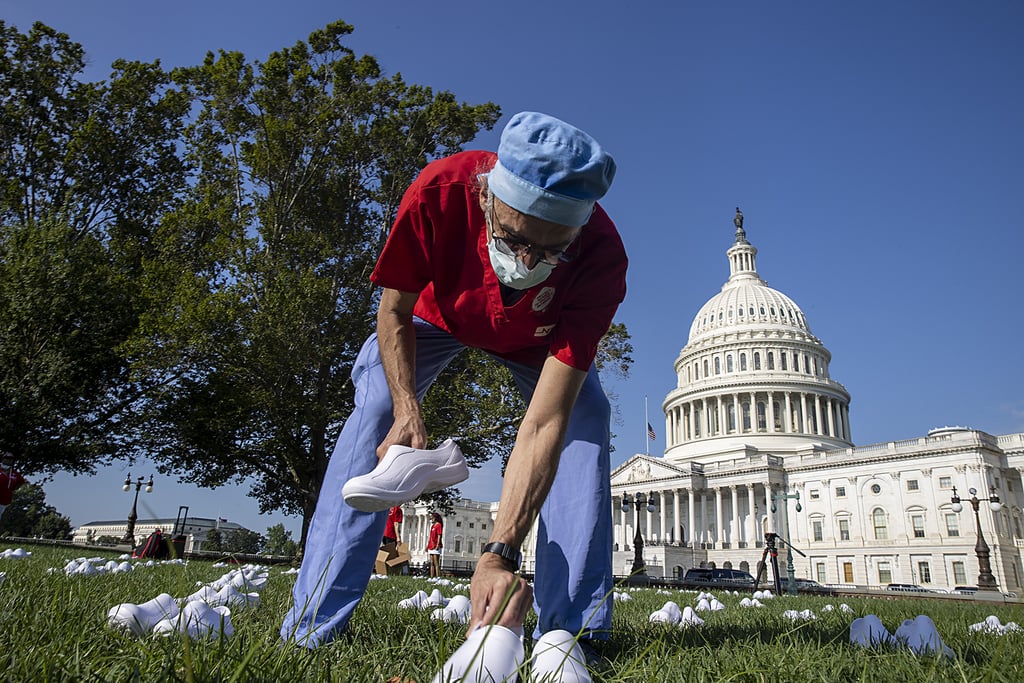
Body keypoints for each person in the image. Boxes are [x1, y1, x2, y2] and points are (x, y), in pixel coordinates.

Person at [281, 111, 627, 650]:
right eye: (514, 238)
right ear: (486, 196)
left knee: (585, 422)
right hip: (433, 316)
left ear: (579, 230)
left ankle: (572, 635)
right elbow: (393, 311)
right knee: (373, 415)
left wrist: (501, 551)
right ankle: (311, 627)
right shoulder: (439, 190)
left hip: (538, 339)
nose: (527, 260)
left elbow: (545, 420)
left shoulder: (602, 256)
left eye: (551, 249)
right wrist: (405, 408)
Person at [0, 452, 27, 519]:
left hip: (4, 501)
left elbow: (21, 482)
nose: (9, 460)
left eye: (11, 459)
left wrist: (13, 488)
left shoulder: (14, 473)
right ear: (3, 459)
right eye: (8, 458)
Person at [426, 512, 443, 577]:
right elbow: (430, 537)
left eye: (432, 518)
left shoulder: (439, 525)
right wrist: (427, 546)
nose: (431, 519)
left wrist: (438, 544)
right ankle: (432, 576)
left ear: (435, 518)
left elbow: (439, 535)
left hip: (436, 545)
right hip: (431, 545)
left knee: (436, 562)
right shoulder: (433, 526)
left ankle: (437, 576)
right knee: (431, 563)